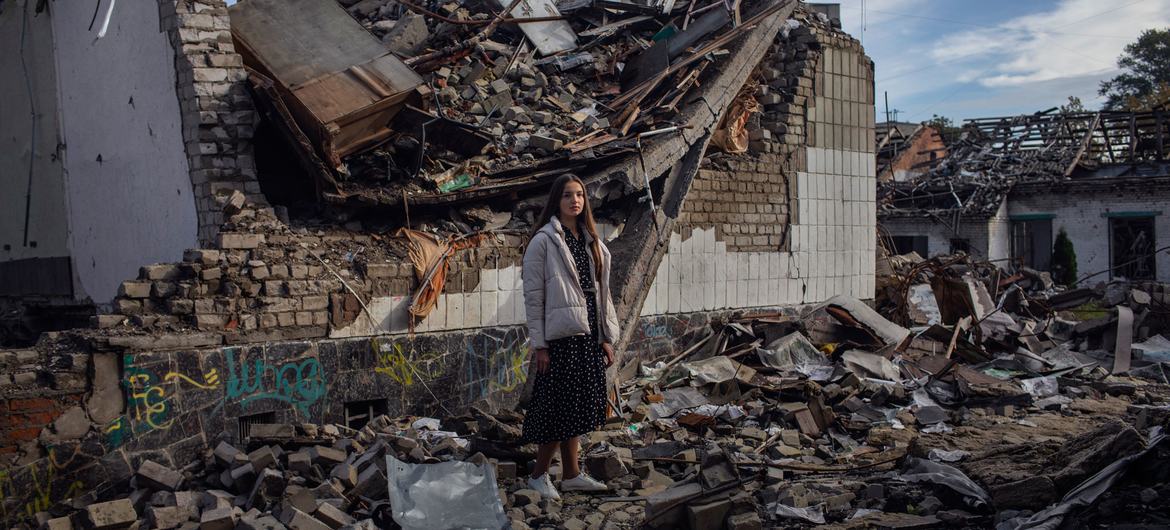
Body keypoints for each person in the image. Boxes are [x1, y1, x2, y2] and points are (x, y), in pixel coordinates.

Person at [521, 173, 620, 500]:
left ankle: (572, 474)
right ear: (556, 201)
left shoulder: (591, 240)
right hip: (561, 338)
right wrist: (540, 344)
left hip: (589, 334)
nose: (575, 200)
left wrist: (605, 335)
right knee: (558, 409)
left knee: (578, 407)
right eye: (567, 195)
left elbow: (600, 295)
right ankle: (538, 476)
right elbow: (534, 297)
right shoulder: (544, 241)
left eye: (579, 195)